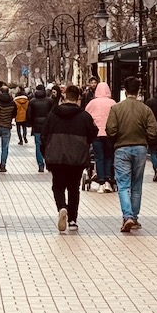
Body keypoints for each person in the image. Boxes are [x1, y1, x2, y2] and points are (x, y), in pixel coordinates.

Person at [106, 77, 157, 233]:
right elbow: (154, 131)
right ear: (138, 90)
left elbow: (111, 130)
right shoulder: (145, 109)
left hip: (121, 148)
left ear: (125, 90)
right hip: (140, 148)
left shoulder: (116, 109)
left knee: (123, 185)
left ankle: (127, 215)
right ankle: (134, 217)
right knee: (137, 185)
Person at [42, 84, 98, 233]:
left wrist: (46, 154)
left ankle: (62, 207)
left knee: (58, 186)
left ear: (65, 96)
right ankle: (73, 219)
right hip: (76, 158)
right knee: (74, 188)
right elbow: (93, 133)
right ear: (78, 98)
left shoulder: (53, 114)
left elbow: (44, 135)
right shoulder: (84, 116)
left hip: (57, 157)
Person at [84, 81, 116, 192]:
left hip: (96, 134)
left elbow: (86, 116)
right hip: (109, 135)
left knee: (99, 158)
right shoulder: (113, 103)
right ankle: (108, 181)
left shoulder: (92, 103)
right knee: (108, 157)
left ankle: (101, 182)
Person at [27, 84, 55, 172]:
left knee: (38, 145)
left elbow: (29, 114)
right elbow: (53, 113)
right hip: (48, 127)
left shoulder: (32, 101)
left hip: (37, 127)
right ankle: (48, 163)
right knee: (48, 145)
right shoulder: (49, 101)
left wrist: (31, 124)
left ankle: (40, 165)